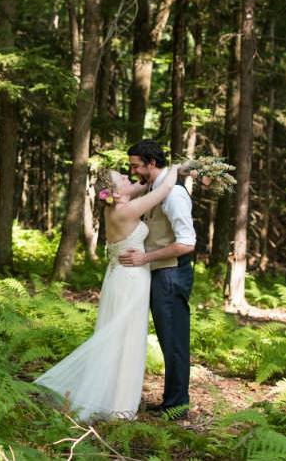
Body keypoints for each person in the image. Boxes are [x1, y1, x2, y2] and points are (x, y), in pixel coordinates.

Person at [35, 164, 180, 422]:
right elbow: (164, 188)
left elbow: (145, 185)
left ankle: (115, 400)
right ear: (114, 191)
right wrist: (179, 167)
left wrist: (151, 173)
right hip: (131, 280)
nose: (128, 176)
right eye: (122, 178)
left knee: (119, 336)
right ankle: (120, 408)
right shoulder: (127, 210)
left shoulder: (114, 207)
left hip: (118, 278)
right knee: (127, 339)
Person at [119, 140, 196, 420]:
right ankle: (172, 400)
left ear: (152, 163)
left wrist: (144, 259)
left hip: (172, 274)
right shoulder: (155, 186)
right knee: (167, 339)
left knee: (174, 340)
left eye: (136, 165)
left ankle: (177, 407)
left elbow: (187, 243)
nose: (133, 171)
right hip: (161, 274)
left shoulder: (174, 195)